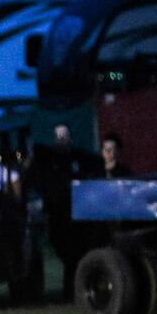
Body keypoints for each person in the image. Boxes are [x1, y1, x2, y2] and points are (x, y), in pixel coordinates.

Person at [28, 124, 102, 299]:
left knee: (75, 254)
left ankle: (73, 291)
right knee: (65, 253)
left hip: (76, 216)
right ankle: (70, 290)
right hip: (57, 215)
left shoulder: (78, 158)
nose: (62, 140)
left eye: (65, 136)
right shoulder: (47, 160)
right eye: (59, 136)